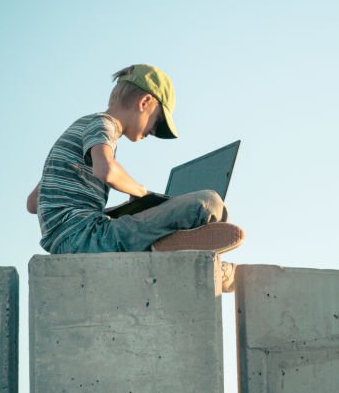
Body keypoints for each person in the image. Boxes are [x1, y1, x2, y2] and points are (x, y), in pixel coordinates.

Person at [26, 64, 244, 266]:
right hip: (89, 238)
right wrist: (140, 192)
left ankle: (171, 244)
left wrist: (113, 213)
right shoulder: (104, 125)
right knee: (209, 202)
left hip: (63, 244)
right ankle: (214, 264)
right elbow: (106, 170)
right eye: (157, 122)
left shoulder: (79, 127)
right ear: (144, 102)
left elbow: (33, 203)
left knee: (141, 216)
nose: (152, 132)